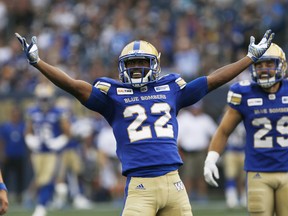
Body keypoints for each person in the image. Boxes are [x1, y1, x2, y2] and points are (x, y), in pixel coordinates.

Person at [15, 29, 274, 216]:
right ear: (121, 67)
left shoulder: (171, 87)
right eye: (132, 63)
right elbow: (72, 86)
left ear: (155, 64)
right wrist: (39, 63)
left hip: (174, 183)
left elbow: (213, 79)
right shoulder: (112, 95)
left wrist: (249, 59)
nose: (137, 68)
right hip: (141, 186)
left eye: (142, 62)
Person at [204, 43, 288, 216]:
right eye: (259, 64)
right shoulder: (243, 93)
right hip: (259, 171)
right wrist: (211, 158)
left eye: (269, 64)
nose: (264, 69)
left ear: (282, 66)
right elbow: (224, 130)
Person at [24, 82, 71, 216]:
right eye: (41, 98)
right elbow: (27, 131)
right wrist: (30, 140)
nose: (43, 101)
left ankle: (41, 206)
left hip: (52, 152)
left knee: (47, 178)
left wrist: (58, 142)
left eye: (45, 98)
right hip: (37, 152)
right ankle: (55, 194)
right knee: (40, 179)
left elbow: (68, 132)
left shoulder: (58, 112)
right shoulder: (32, 111)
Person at [177, 100, 217, 203]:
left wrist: (209, 148)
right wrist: (179, 151)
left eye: (197, 108)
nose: (196, 110)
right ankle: (186, 198)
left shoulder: (205, 119)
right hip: (187, 153)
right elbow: (178, 138)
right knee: (187, 176)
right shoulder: (184, 119)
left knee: (201, 175)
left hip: (201, 152)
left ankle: (202, 197)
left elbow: (215, 134)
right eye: (194, 108)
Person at [0, 105, 27, 205]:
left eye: (17, 114)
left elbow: (26, 140)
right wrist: (2, 154)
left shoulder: (22, 126)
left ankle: (19, 197)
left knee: (20, 177)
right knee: (5, 177)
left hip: (19, 155)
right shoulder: (6, 126)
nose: (16, 116)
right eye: (14, 114)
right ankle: (3, 195)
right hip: (8, 155)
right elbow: (2, 141)